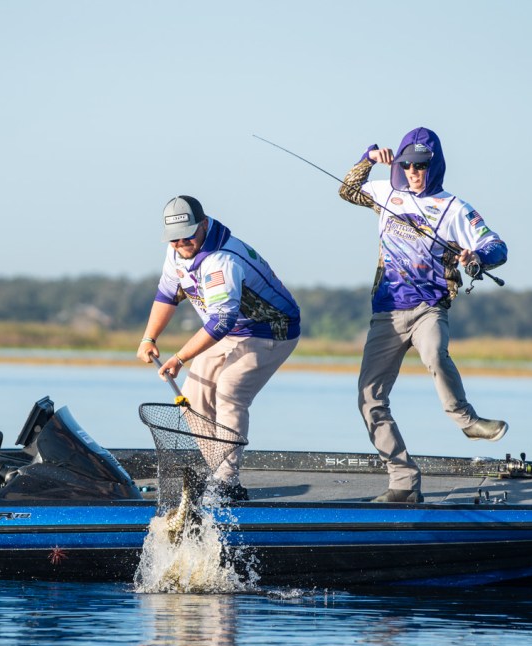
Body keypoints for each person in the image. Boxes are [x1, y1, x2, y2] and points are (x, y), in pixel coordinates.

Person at [338, 127, 508, 503]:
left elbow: (497, 246)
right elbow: (347, 190)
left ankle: (467, 420)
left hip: (429, 308)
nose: (414, 172)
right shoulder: (385, 192)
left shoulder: (454, 208)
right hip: (387, 312)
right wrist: (368, 158)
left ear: (435, 166)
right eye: (407, 165)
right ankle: (403, 482)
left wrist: (477, 257)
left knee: (434, 353)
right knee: (369, 399)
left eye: (421, 166)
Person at [137, 195, 301, 502]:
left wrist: (179, 358)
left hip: (270, 330)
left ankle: (227, 483)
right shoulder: (176, 252)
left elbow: (221, 322)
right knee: (192, 396)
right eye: (174, 238)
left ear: (203, 224)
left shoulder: (222, 261)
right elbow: (166, 295)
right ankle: (219, 471)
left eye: (187, 236)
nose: (181, 243)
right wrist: (149, 338)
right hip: (228, 328)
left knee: (229, 390)